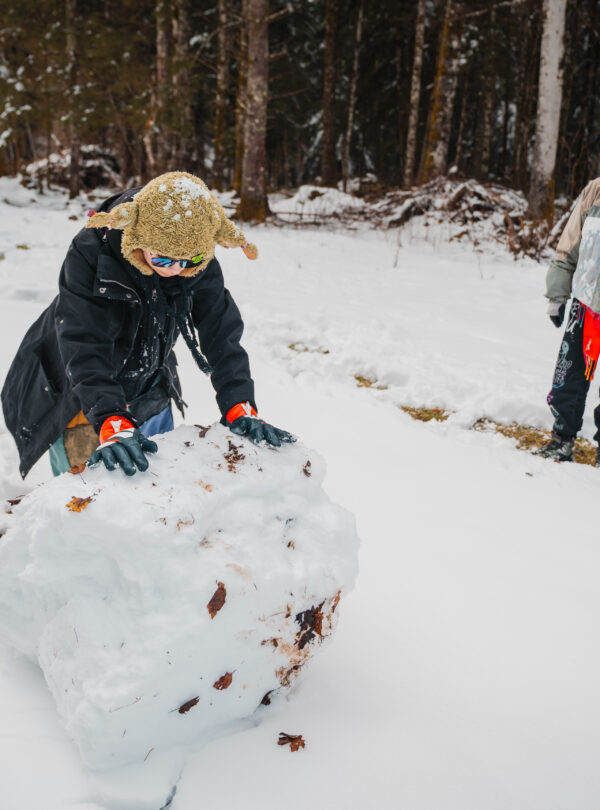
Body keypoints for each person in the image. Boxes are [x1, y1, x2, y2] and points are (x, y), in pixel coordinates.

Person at [1, 171, 295, 479]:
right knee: (90, 497)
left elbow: (220, 328)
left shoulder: (194, 252)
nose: (176, 270)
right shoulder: (90, 253)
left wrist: (239, 402)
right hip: (81, 388)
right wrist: (111, 420)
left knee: (157, 486)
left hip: (150, 379)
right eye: (165, 260)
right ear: (138, 238)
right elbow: (83, 340)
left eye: (189, 260)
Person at [540, 177, 600, 464]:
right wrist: (557, 293)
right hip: (586, 303)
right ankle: (562, 440)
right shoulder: (596, 190)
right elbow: (570, 244)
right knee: (568, 377)